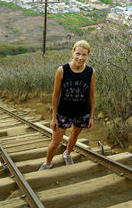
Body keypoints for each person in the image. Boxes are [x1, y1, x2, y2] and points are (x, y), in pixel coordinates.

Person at [39, 40, 95, 171]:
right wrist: (54, 117)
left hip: (82, 113)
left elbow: (92, 94)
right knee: (55, 142)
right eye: (78, 54)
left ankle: (67, 154)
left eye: (84, 55)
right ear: (73, 52)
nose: (80, 58)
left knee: (75, 135)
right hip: (63, 113)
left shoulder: (91, 72)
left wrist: (91, 116)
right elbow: (55, 94)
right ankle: (48, 163)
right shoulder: (62, 70)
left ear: (88, 56)